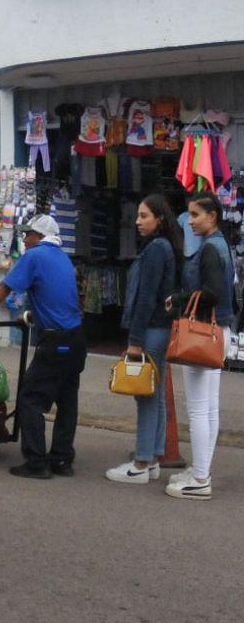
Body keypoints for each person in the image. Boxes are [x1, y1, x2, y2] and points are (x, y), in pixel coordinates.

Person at [0, 215, 86, 479]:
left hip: (55, 341)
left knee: (31, 398)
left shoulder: (35, 256)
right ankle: (62, 460)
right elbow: (56, 297)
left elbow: (2, 289)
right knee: (67, 401)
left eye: (27, 234)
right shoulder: (62, 258)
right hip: (76, 340)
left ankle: (36, 462)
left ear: (39, 236)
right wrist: (32, 317)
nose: (24, 239)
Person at [105, 195, 180, 484]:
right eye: (138, 215)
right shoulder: (165, 247)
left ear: (159, 219)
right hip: (160, 329)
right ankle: (152, 458)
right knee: (155, 393)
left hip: (150, 331)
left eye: (144, 216)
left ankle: (141, 462)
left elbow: (146, 298)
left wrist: (134, 340)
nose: (137, 221)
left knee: (145, 395)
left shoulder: (156, 250)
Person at [165, 193, 235, 500]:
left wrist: (178, 299)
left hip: (203, 331)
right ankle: (200, 470)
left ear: (212, 216)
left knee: (198, 409)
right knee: (208, 408)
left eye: (195, 215)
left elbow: (212, 291)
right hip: (219, 331)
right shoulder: (221, 245)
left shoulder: (209, 248)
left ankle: (201, 477)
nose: (190, 221)